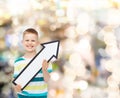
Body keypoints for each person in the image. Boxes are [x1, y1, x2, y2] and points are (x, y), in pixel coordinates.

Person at [13, 28, 52, 98]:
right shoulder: (18, 62)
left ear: (37, 43)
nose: (30, 43)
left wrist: (44, 70)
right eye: (27, 40)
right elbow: (16, 82)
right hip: (24, 95)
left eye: (33, 41)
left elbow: (47, 80)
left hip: (41, 95)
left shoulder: (44, 60)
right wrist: (16, 87)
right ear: (22, 42)